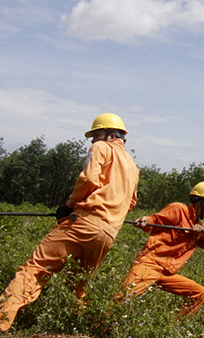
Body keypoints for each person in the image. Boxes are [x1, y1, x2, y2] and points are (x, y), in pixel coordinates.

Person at [0, 113, 139, 333]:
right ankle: (76, 329)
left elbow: (88, 180)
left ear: (111, 134)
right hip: (107, 234)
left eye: (96, 135)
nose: (93, 141)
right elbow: (131, 202)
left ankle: (1, 321)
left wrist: (69, 205)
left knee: (34, 270)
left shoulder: (102, 148)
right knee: (78, 285)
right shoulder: (132, 166)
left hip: (84, 222)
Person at [113, 182, 204, 316]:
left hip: (166, 273)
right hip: (150, 264)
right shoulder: (178, 209)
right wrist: (145, 220)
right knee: (122, 299)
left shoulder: (198, 227)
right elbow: (155, 220)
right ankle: (96, 328)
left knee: (199, 294)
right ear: (200, 202)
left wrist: (202, 232)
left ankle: (171, 327)